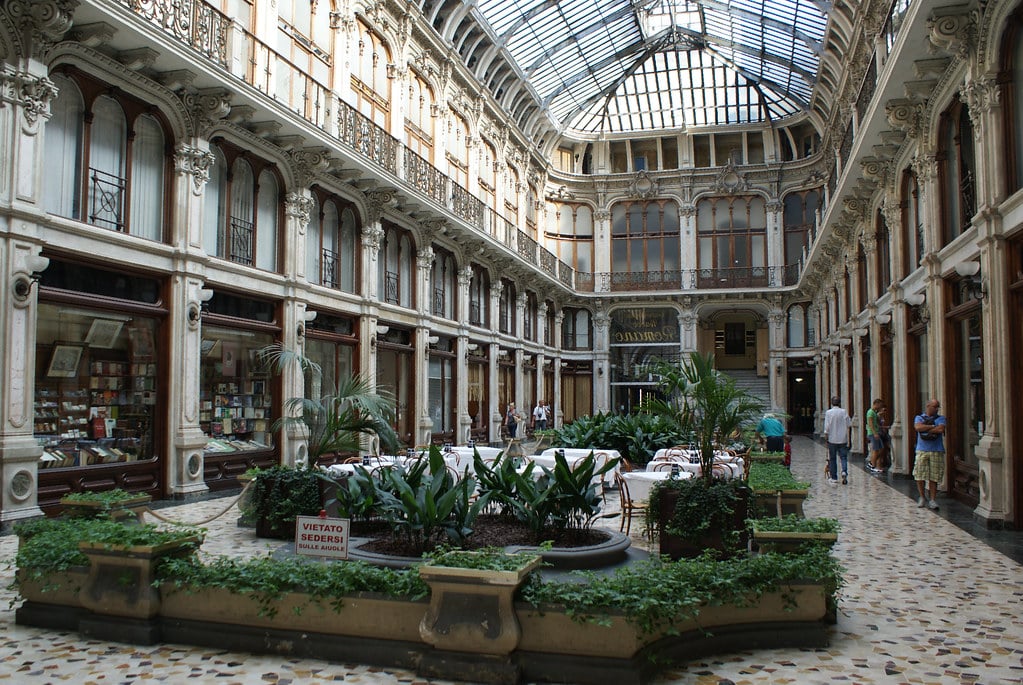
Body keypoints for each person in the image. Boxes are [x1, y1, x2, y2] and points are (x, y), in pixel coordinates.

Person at [913, 399, 946, 510]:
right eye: (935, 406)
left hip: (937, 450)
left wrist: (926, 428)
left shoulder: (941, 418)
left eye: (938, 407)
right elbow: (918, 427)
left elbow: (941, 429)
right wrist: (932, 427)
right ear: (928, 406)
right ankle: (922, 496)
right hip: (922, 449)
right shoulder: (919, 418)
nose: (936, 409)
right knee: (919, 474)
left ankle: (932, 499)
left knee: (934, 476)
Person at [822, 395, 852, 485]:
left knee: (832, 458)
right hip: (842, 438)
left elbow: (827, 426)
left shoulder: (829, 412)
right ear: (839, 403)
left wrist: (826, 434)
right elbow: (849, 424)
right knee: (843, 457)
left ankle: (834, 477)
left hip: (832, 439)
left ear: (832, 403)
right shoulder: (844, 412)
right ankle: (844, 471)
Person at [865, 398, 884, 473]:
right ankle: (872, 465)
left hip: (875, 432)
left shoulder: (874, 412)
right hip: (873, 433)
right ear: (876, 404)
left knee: (881, 448)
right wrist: (875, 433)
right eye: (880, 405)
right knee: (876, 449)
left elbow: (877, 423)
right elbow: (870, 423)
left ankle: (872, 462)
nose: (880, 407)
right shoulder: (870, 412)